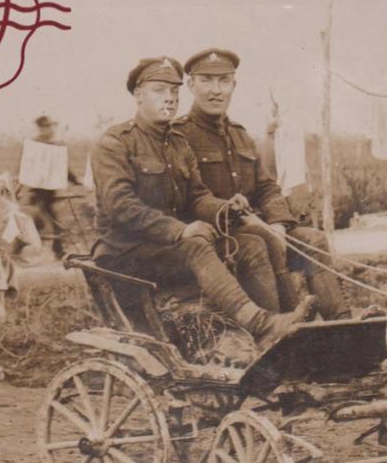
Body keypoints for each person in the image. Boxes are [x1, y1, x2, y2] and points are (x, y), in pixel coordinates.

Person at [89, 56, 314, 349]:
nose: (169, 99)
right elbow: (119, 206)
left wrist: (224, 208)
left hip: (167, 249)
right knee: (196, 244)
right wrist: (179, 231)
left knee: (252, 243)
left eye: (174, 91)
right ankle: (260, 326)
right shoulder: (115, 142)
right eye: (159, 90)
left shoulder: (178, 144)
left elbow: (197, 196)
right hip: (125, 253)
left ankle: (277, 330)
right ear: (138, 94)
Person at [175, 48, 350, 319]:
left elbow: (267, 188)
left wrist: (279, 224)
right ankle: (280, 330)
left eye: (223, 81)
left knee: (312, 240)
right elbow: (187, 199)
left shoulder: (240, 136)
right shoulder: (179, 136)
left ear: (233, 85)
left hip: (260, 229)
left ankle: (341, 325)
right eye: (206, 80)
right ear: (191, 85)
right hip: (216, 241)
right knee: (257, 244)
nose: (215, 90)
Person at [16, 115, 77, 259]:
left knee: (45, 221)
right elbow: (25, 167)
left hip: (49, 191)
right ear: (41, 129)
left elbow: (62, 167)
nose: (50, 130)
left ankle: (57, 250)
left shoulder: (53, 145)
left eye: (51, 127)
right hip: (38, 192)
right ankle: (56, 251)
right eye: (47, 127)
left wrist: (74, 180)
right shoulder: (35, 145)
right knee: (43, 221)